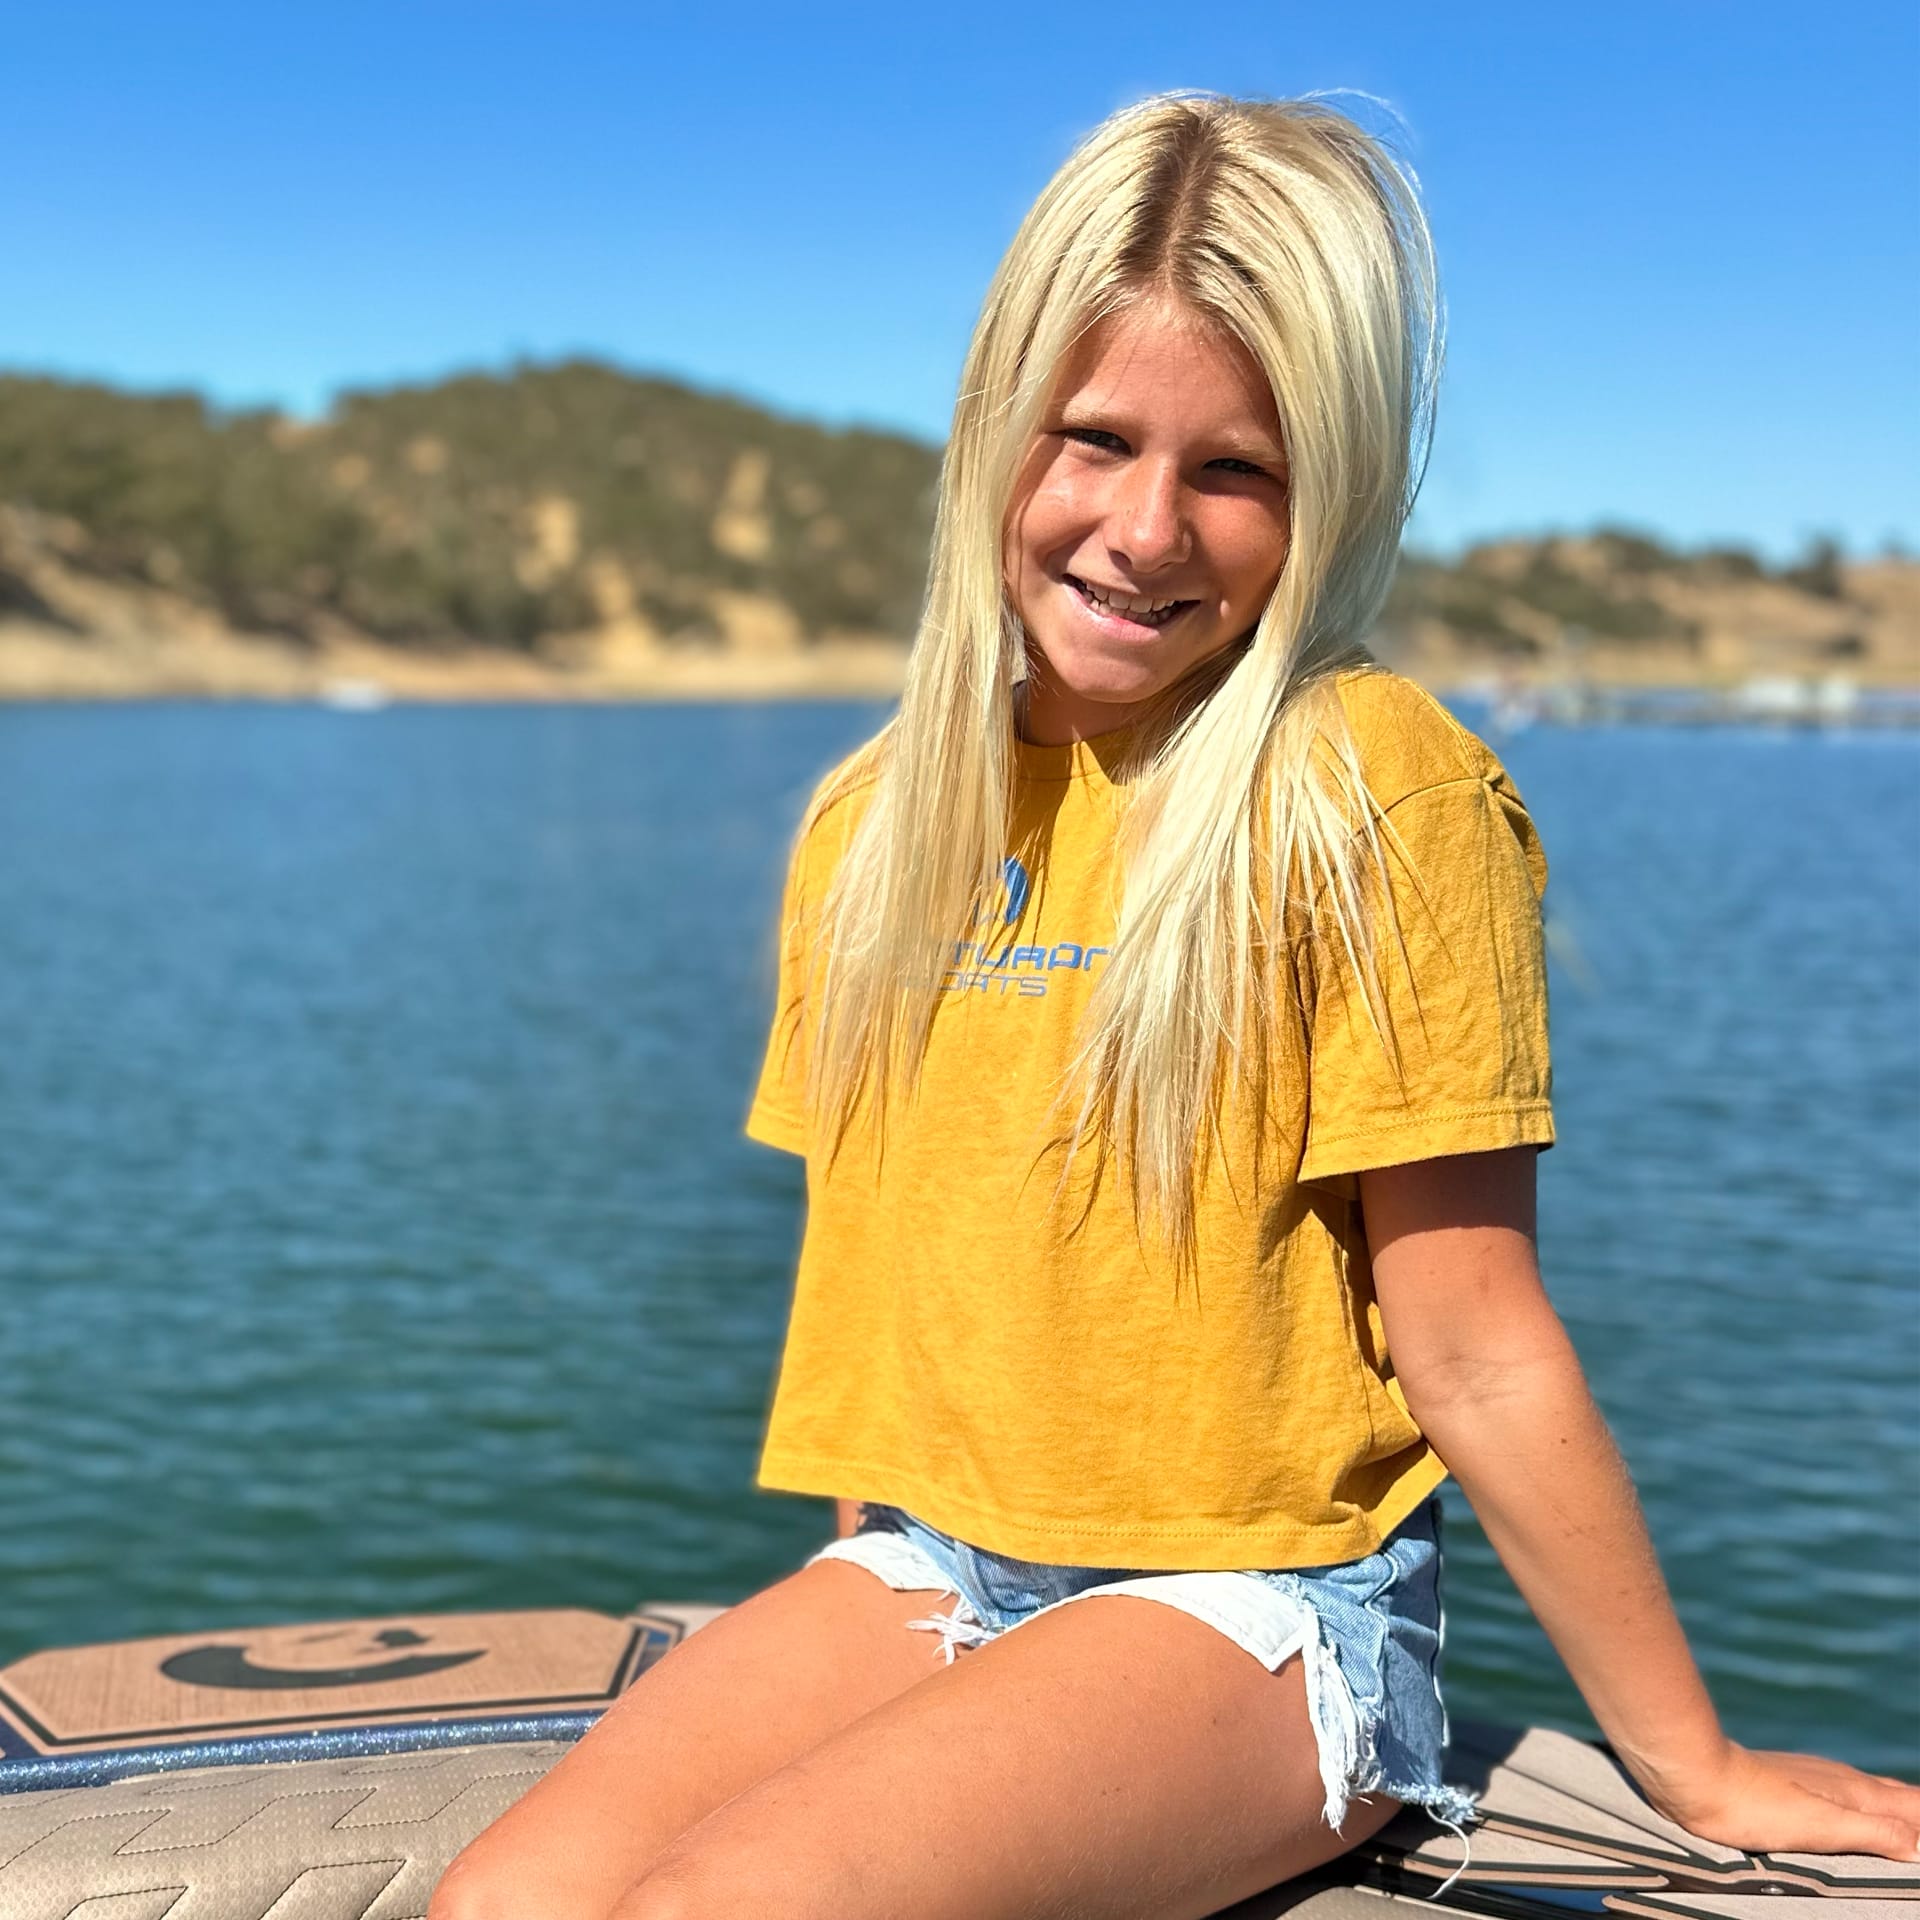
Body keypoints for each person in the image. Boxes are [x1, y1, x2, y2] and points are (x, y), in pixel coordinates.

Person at [430, 91, 1920, 1920]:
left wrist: (1698, 1765)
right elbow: (880, 1293)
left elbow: (1474, 1339)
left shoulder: (1373, 790)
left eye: (1237, 471)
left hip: (1268, 1610)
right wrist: (877, 1671)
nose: (1147, 529)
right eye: (1096, 439)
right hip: (935, 1568)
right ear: (997, 436)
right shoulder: (880, 821)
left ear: (1330, 493)